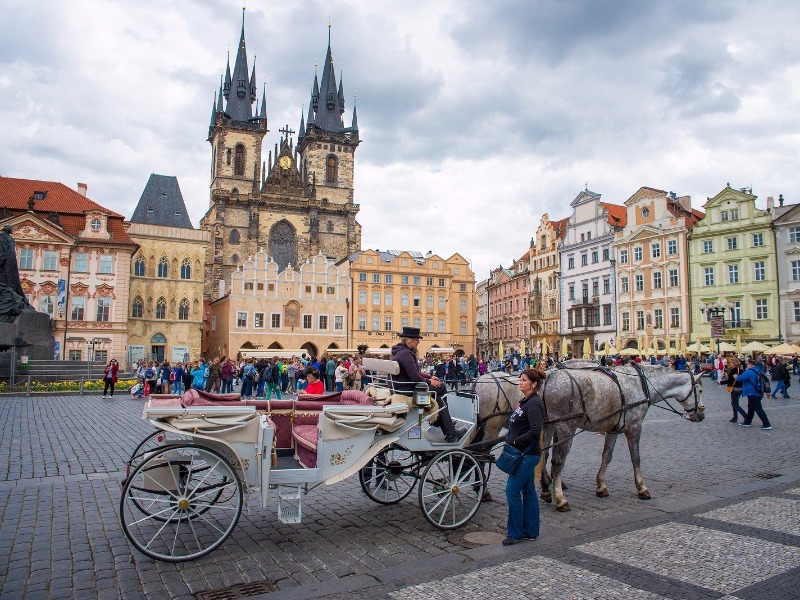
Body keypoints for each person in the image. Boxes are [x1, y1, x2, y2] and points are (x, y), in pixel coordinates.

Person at [391, 327, 465, 443]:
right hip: (408, 390)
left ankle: (443, 423)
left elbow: (415, 373)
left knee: (438, 395)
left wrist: (429, 377)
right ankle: (447, 428)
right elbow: (415, 377)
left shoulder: (399, 352)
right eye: (416, 340)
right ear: (409, 341)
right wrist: (430, 382)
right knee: (440, 389)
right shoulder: (406, 354)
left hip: (401, 387)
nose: (418, 343)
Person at [503, 368, 545, 546]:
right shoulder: (525, 401)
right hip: (522, 453)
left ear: (533, 384)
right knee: (528, 491)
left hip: (526, 455)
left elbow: (535, 431)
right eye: (520, 379)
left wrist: (516, 442)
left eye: (524, 380)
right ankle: (531, 531)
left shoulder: (535, 403)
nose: (520, 382)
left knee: (512, 491)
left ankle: (515, 533)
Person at [735, 358, 772, 430]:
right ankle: (747, 422)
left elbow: (740, 378)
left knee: (758, 409)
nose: (746, 366)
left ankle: (766, 424)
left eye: (747, 364)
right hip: (758, 391)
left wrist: (736, 376)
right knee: (751, 407)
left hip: (752, 392)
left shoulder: (749, 372)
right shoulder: (759, 370)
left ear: (750, 364)